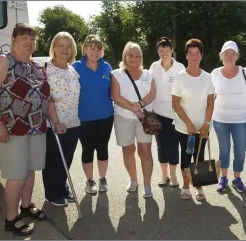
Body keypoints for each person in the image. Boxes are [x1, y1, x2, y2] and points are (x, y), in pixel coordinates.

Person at [0, 23, 64, 236]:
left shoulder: (37, 66)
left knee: (30, 170)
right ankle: (11, 217)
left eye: (32, 38)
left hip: (36, 128)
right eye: (23, 37)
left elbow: (48, 98)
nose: (28, 42)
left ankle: (26, 207)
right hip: (10, 130)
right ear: (14, 40)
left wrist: (55, 120)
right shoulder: (3, 61)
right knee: (16, 175)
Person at [111, 41, 157, 198]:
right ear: (125, 55)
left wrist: (140, 104)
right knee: (128, 150)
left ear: (141, 58)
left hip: (145, 118)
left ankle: (147, 184)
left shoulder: (148, 74)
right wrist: (133, 108)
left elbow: (152, 94)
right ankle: (133, 180)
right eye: (131, 55)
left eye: (138, 56)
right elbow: (116, 96)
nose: (134, 58)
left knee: (145, 151)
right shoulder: (116, 74)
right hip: (123, 117)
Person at [172, 38, 215, 201]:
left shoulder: (207, 77)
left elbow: (210, 103)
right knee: (185, 156)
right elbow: (175, 104)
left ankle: (199, 186)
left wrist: (206, 124)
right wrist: (189, 124)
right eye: (191, 53)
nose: (194, 56)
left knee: (200, 156)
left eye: (197, 53)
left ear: (201, 55)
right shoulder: (180, 77)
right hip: (185, 128)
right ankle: (185, 186)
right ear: (186, 55)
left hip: (203, 127)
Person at [42, 31, 81, 207]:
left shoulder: (72, 70)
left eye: (68, 45)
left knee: (67, 157)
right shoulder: (46, 69)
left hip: (73, 122)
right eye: (61, 45)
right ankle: (51, 194)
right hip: (54, 124)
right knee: (53, 160)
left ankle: (62, 186)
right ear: (54, 48)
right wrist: (56, 122)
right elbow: (47, 98)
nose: (65, 49)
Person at [210, 40, 246, 193]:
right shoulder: (215, 73)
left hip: (241, 120)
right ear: (221, 55)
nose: (229, 56)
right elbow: (210, 98)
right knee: (224, 150)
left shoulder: (245, 72)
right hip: (220, 119)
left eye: (232, 53)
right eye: (226, 53)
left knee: (240, 151)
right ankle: (223, 178)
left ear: (237, 56)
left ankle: (237, 178)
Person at [72, 35, 114, 194]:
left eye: (98, 49)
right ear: (85, 49)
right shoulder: (76, 67)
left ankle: (102, 179)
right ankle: (90, 181)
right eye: (91, 48)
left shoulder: (107, 67)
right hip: (84, 117)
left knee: (103, 148)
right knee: (88, 149)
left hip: (106, 116)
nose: (95, 52)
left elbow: (114, 90)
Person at [149, 37, 185, 187]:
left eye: (167, 50)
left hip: (174, 113)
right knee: (160, 145)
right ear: (158, 51)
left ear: (172, 50)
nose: (163, 53)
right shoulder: (153, 67)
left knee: (173, 145)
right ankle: (164, 176)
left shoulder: (180, 67)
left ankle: (173, 176)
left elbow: (184, 90)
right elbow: (149, 88)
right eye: (161, 50)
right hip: (156, 113)